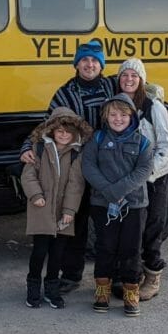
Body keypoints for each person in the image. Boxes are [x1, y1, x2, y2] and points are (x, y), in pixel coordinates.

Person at [20, 38, 115, 295]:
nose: (90, 64)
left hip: (110, 163)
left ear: (102, 65)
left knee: (112, 221)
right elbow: (46, 127)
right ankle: (71, 275)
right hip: (78, 165)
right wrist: (27, 148)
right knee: (76, 221)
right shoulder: (64, 93)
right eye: (84, 59)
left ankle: (115, 276)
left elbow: (135, 98)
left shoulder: (112, 85)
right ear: (77, 64)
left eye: (95, 60)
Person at [81, 93, 153, 316]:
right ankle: (102, 289)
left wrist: (117, 191)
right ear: (106, 116)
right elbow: (88, 167)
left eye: (123, 114)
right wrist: (108, 191)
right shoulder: (98, 139)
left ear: (131, 116)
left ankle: (131, 291)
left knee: (131, 248)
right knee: (105, 247)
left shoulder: (143, 142)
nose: (118, 119)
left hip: (134, 205)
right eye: (113, 114)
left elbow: (143, 171)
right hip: (103, 205)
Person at [116, 58, 168, 301]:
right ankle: (133, 274)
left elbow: (167, 145)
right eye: (124, 75)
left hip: (154, 178)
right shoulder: (118, 107)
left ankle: (152, 277)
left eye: (134, 76)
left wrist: (148, 172)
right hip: (129, 180)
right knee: (130, 229)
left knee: (152, 226)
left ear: (142, 80)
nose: (129, 80)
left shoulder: (154, 108)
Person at [20, 107, 91, 309]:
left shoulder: (76, 154)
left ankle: (52, 288)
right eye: (60, 130)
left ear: (75, 133)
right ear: (51, 130)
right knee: (39, 251)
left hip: (63, 213)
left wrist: (70, 211)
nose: (64, 135)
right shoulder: (39, 148)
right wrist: (36, 195)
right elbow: (28, 175)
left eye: (68, 131)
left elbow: (76, 185)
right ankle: (33, 286)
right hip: (40, 209)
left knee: (58, 253)